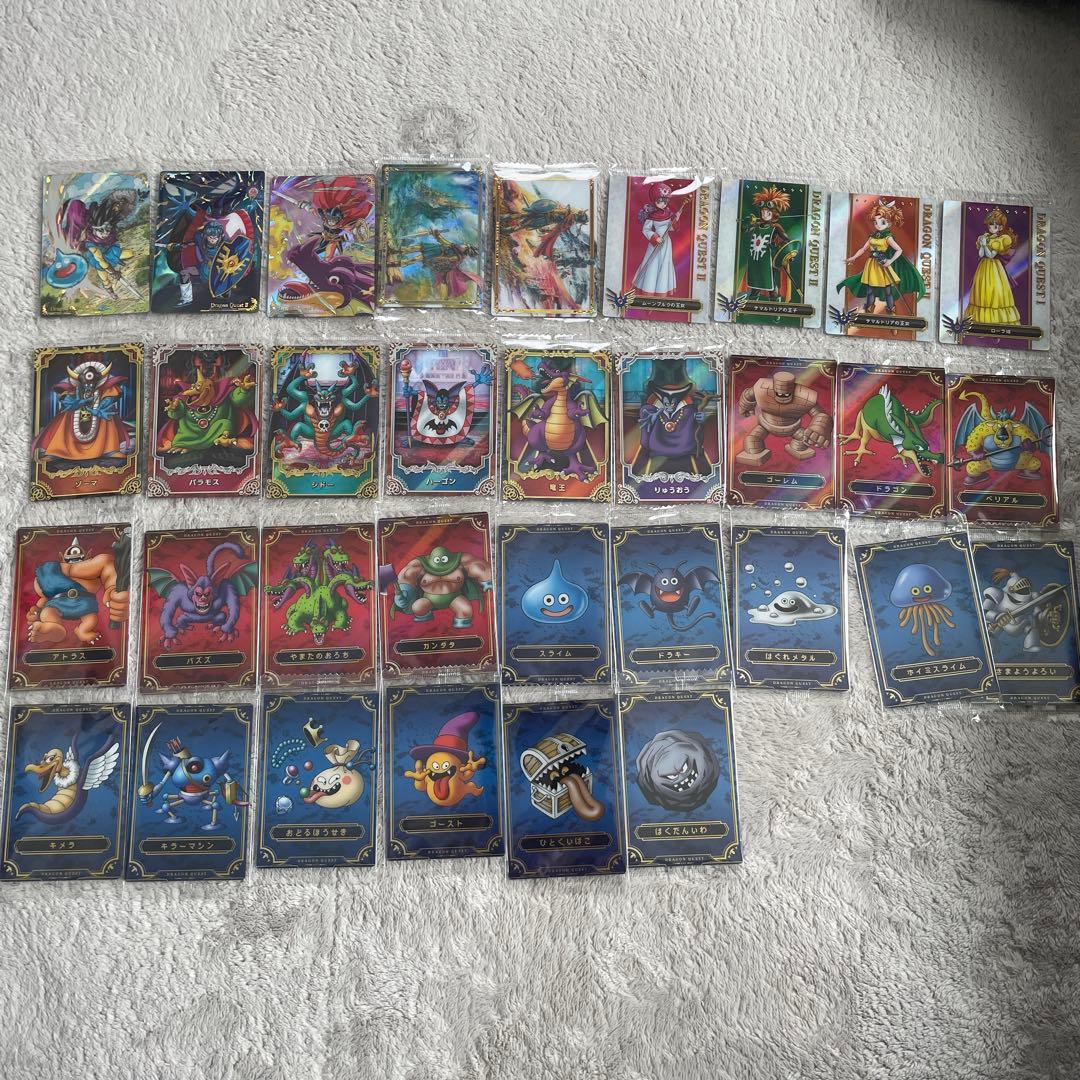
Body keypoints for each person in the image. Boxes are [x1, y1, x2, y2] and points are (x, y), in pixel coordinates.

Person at [837, 199, 926, 314]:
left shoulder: (888, 237)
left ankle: (891, 309)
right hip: (872, 265)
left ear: (889, 223)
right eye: (876, 222)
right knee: (870, 289)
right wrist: (853, 258)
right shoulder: (873, 236)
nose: (878, 225)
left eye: (882, 222)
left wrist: (890, 261)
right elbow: (863, 248)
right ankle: (869, 307)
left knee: (887, 290)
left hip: (883, 264)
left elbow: (899, 250)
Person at [964, 206, 1020, 325]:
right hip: (983, 268)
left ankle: (997, 323)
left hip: (995, 269)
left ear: (1000, 227)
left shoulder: (1000, 240)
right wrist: (983, 244)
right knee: (981, 291)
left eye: (994, 225)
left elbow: (991, 255)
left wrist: (985, 245)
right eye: (990, 225)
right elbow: (981, 254)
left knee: (994, 291)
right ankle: (979, 322)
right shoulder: (985, 237)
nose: (991, 228)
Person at [631, 182, 683, 295]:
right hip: (655, 243)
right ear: (654, 200)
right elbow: (646, 229)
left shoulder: (668, 213)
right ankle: (648, 290)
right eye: (660, 202)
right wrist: (655, 238)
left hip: (666, 243)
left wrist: (676, 219)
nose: (663, 204)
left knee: (664, 264)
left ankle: (661, 290)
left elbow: (672, 228)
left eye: (665, 202)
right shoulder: (651, 215)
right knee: (653, 264)